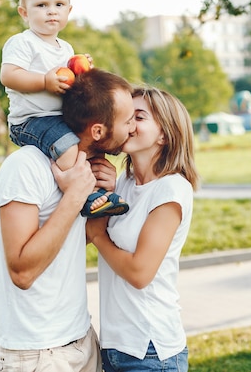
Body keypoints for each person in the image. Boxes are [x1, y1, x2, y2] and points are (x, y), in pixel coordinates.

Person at [0, 69, 136, 372]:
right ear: (98, 131)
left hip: (80, 337)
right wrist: (74, 197)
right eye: (127, 121)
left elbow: (75, 239)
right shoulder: (25, 166)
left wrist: (100, 197)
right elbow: (22, 271)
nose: (132, 128)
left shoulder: (85, 169)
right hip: (38, 352)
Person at [86, 86, 200, 372]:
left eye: (138, 117)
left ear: (164, 133)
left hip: (150, 350)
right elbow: (85, 235)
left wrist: (100, 234)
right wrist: (106, 192)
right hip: (115, 345)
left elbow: (139, 273)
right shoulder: (122, 183)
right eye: (125, 117)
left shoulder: (172, 189)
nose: (128, 125)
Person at [0, 0, 128, 218]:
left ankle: (101, 191)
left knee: (92, 145)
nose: (51, 11)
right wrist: (44, 82)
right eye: (41, 5)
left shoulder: (66, 48)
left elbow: (72, 81)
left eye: (59, 4)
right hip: (31, 121)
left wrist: (82, 69)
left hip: (59, 118)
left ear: (68, 11)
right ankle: (84, 195)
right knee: (69, 148)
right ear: (24, 13)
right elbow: (9, 75)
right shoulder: (22, 42)